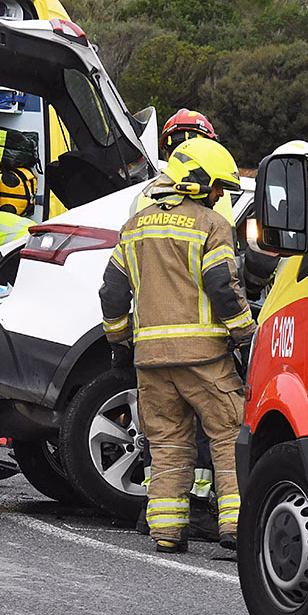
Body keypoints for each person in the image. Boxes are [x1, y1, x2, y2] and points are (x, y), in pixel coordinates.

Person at [99, 136, 255, 553]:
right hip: (205, 359)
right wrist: (244, 334)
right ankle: (237, 528)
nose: (220, 195)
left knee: (167, 443)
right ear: (198, 182)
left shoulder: (135, 227)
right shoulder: (211, 225)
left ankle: (167, 533)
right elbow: (223, 286)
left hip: (150, 362)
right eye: (218, 187)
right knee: (228, 435)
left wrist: (119, 340)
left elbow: (112, 293)